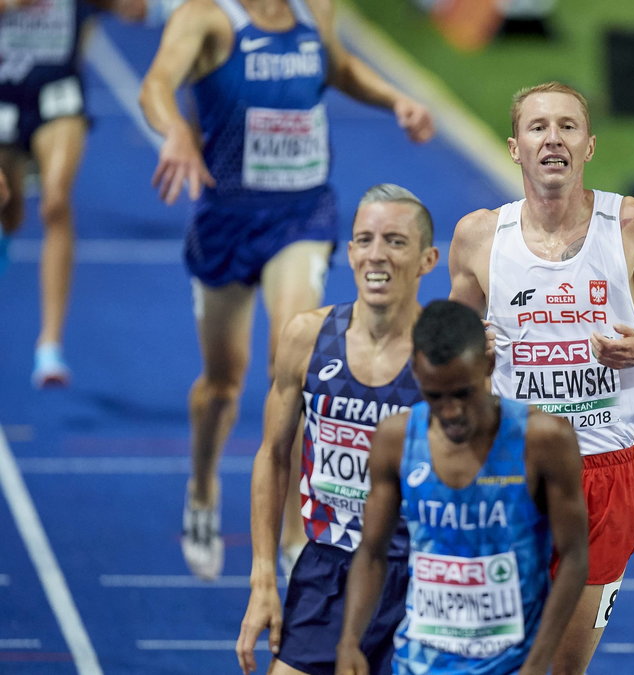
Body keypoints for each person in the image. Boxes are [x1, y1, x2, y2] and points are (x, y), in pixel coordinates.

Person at [138, 0, 435, 579]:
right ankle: (201, 489)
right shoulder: (209, 19)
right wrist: (174, 128)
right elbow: (155, 83)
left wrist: (394, 98)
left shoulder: (315, 11)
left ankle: (297, 534)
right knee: (223, 383)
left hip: (301, 214)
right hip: (226, 219)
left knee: (292, 362)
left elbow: (339, 68)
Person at [447, 81, 634, 673]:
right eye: (538, 127)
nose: (553, 139)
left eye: (567, 126)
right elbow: (446, 364)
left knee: (564, 667)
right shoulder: (478, 237)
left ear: (588, 145)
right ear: (514, 146)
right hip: (506, 470)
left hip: (603, 475)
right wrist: (467, 358)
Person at [235, 185, 437, 675]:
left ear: (427, 259)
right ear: (348, 252)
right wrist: (263, 576)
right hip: (327, 569)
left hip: (420, 579)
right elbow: (272, 454)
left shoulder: (446, 354)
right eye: (364, 239)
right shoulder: (308, 336)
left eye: (395, 241)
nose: (377, 255)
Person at [336, 299, 589, 675]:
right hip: (420, 662)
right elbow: (372, 552)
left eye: (463, 393)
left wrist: (538, 662)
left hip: (511, 663)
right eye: (435, 396)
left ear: (487, 366)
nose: (451, 411)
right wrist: (349, 641)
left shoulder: (542, 439)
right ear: (416, 374)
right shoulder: (396, 439)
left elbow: (573, 556)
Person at [0, 0, 147, 387]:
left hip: (58, 94)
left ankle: (49, 344)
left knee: (56, 203)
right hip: (3, 93)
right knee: (7, 209)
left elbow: (136, 10)